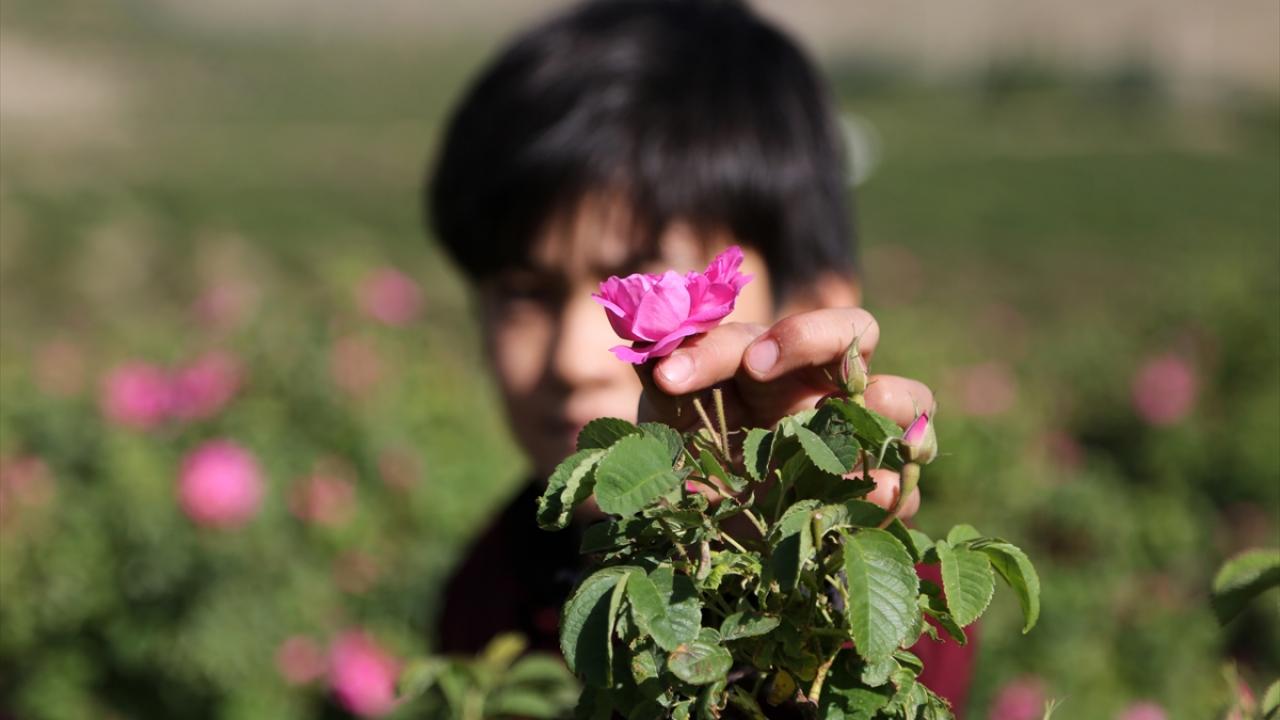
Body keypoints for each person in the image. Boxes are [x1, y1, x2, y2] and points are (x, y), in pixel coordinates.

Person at [425, 0, 975, 711]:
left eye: (641, 281)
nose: (573, 356)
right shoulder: (490, 583)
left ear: (814, 302)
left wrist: (789, 541)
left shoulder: (879, 570)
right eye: (525, 293)